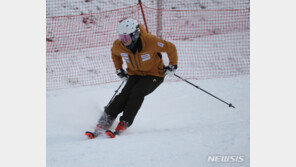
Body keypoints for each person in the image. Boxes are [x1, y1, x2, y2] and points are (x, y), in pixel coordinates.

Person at [85, 18, 178, 139]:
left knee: (137, 92)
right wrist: (119, 69)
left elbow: (171, 47)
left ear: (135, 34)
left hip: (154, 75)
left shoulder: (150, 41)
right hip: (134, 74)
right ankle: (105, 121)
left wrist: (172, 65)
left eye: (126, 38)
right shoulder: (119, 45)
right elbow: (114, 53)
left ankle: (125, 121)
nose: (124, 41)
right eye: (121, 37)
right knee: (123, 95)